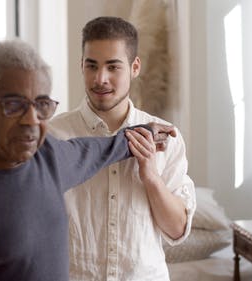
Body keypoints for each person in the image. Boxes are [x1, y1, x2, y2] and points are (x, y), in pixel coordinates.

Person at [0, 39, 176, 281]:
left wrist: (140, 133)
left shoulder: (47, 157)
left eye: (41, 105)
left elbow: (92, 151)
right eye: (13, 105)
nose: (31, 120)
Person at [48, 16, 196, 280]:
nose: (100, 78)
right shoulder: (53, 135)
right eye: (91, 66)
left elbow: (176, 230)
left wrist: (151, 177)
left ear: (135, 67)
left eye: (113, 67)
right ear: (81, 65)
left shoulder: (167, 136)